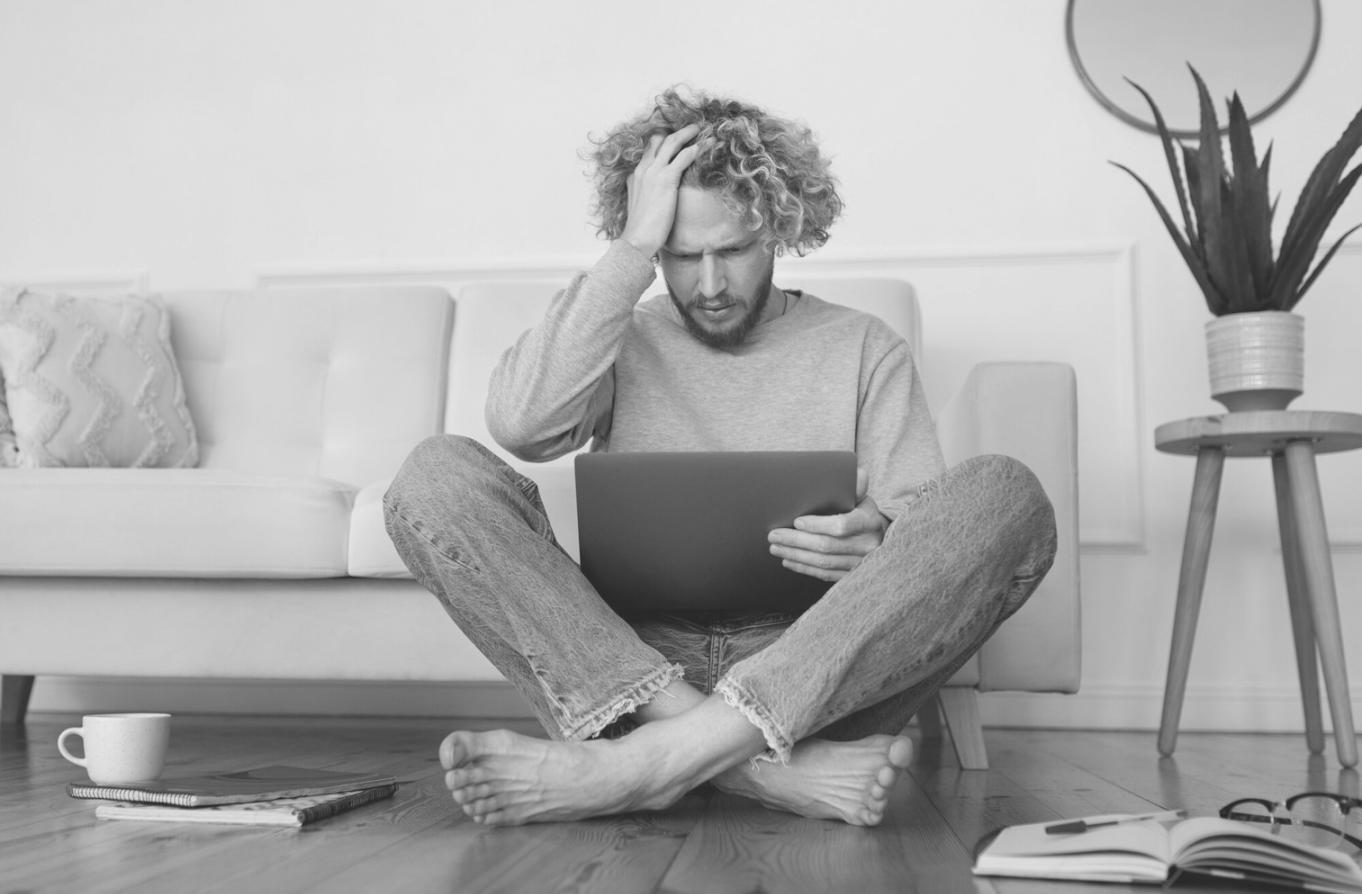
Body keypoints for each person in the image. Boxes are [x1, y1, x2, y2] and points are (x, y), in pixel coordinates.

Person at [383, 87, 1057, 829]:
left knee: (1007, 494)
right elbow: (519, 423)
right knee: (433, 475)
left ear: (779, 228)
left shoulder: (865, 347)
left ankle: (647, 763)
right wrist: (629, 251)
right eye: (680, 256)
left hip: (813, 667)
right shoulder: (619, 336)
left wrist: (879, 540)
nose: (708, 286)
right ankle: (757, 768)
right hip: (630, 662)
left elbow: (933, 551)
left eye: (733, 251)